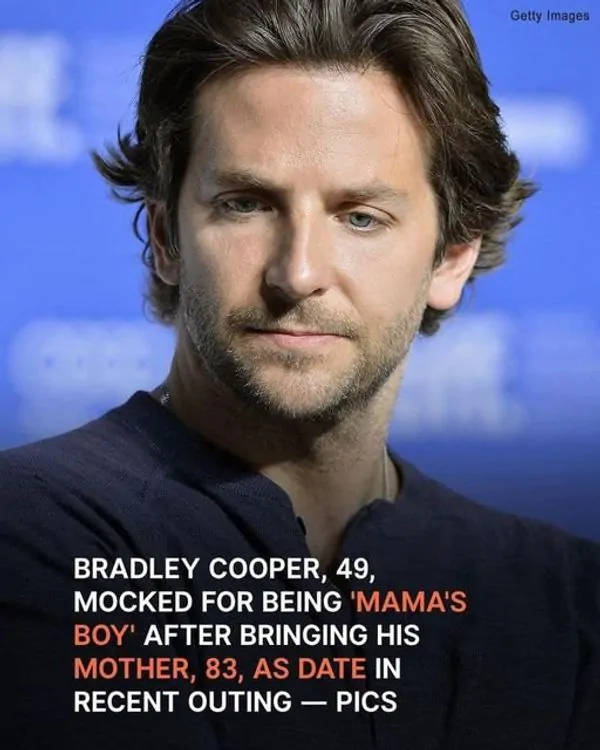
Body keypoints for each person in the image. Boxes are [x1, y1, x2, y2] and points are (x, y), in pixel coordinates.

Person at [0, 0, 598, 747]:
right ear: (165, 238)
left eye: (359, 217)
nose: (298, 273)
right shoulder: (32, 531)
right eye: (246, 205)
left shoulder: (565, 602)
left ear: (452, 256)